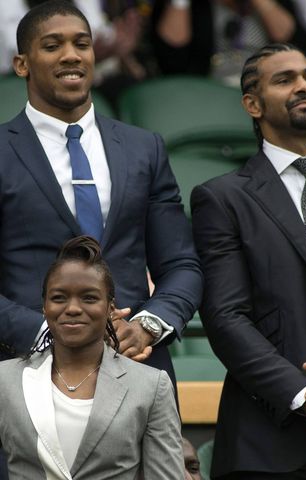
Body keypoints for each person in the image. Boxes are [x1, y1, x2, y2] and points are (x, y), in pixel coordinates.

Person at [0, 1, 202, 476]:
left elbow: (182, 266)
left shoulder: (143, 147)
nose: (71, 55)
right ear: (22, 64)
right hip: (28, 378)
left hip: (137, 379)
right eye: (52, 45)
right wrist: (53, 332)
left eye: (82, 43)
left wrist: (149, 324)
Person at [191, 43, 306, 478]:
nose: (304, 85)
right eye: (285, 80)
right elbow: (226, 318)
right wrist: (305, 397)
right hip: (272, 443)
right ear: (252, 104)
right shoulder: (222, 198)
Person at [0, 235, 185, 479]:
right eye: (59, 298)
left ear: (110, 308)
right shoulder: (4, 380)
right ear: (44, 306)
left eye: (89, 298)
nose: (73, 308)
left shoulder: (151, 386)